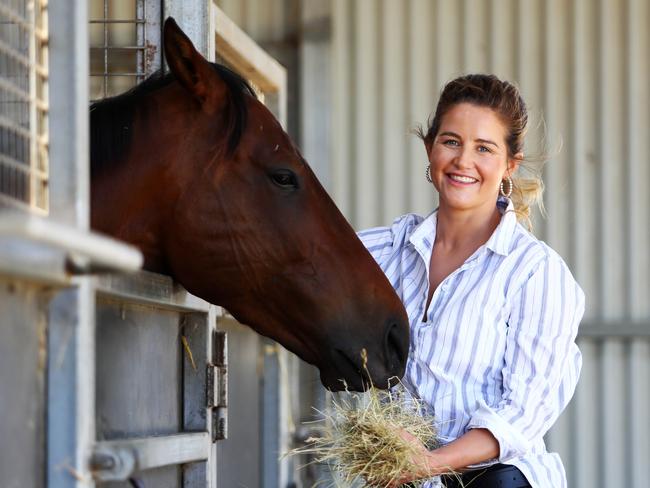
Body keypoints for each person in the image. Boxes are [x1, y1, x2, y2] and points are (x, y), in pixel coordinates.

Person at [358, 74, 584, 488]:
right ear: (430, 149)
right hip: (407, 477)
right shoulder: (391, 250)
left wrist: (428, 462)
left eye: (484, 148)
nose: (464, 161)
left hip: (495, 480)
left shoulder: (535, 272)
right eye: (451, 141)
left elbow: (522, 413)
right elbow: (306, 260)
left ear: (509, 165)